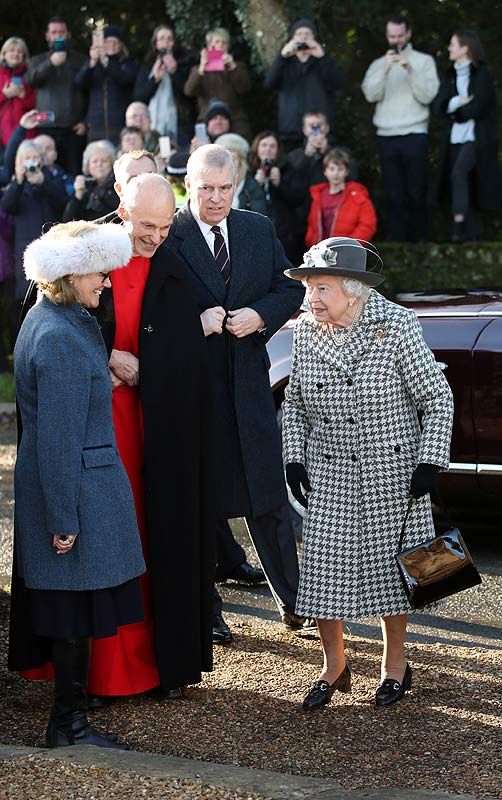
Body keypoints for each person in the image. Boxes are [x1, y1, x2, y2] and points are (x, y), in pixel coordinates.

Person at [281, 236, 454, 710]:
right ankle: (334, 666)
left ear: (353, 290)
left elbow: (437, 398)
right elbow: (295, 404)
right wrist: (293, 456)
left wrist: (430, 461)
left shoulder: (396, 325)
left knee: (393, 577)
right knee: (322, 574)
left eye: (321, 288)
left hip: (393, 472)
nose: (310, 298)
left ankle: (394, 665)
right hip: (330, 470)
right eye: (308, 288)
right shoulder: (305, 332)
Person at [10, 220, 145, 748]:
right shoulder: (63, 335)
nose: (106, 282)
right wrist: (64, 519)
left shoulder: (55, 320)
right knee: (72, 614)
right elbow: (59, 440)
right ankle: (67, 725)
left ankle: (70, 720)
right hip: (77, 495)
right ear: (69, 275)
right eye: (98, 273)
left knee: (76, 612)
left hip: (79, 490)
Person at [168, 144, 305, 643]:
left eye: (226, 189)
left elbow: (290, 288)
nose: (217, 199)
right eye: (206, 188)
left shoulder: (256, 227)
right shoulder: (168, 236)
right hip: (195, 392)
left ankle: (296, 603)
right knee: (202, 506)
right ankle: (207, 611)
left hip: (249, 386)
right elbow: (147, 317)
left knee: (268, 499)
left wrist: (261, 315)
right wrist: (192, 323)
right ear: (189, 183)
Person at [86, 173, 215, 700]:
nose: (155, 237)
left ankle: (153, 664)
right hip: (95, 421)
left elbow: (186, 345)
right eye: (146, 225)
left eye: (164, 226)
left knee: (147, 532)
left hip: (152, 424)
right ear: (121, 208)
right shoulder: (84, 248)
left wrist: (147, 368)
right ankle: (94, 670)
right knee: (99, 536)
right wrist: (105, 356)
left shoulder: (173, 258)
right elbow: (46, 320)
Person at [361, 15, 439, 241]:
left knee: (416, 192)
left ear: (408, 34)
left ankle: (420, 243)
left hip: (415, 133)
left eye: (400, 35)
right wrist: (385, 69)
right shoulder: (378, 64)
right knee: (393, 194)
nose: (396, 40)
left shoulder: (424, 61)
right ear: (387, 36)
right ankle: (398, 242)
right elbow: (370, 94)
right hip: (387, 136)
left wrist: (410, 69)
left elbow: (428, 96)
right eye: (392, 36)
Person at [433, 30, 502, 242]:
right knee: (463, 181)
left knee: (459, 173)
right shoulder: (450, 74)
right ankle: (472, 235)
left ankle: (458, 224)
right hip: (455, 137)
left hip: (477, 137)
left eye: (453, 44)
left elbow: (477, 106)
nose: (449, 48)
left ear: (465, 48)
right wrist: (457, 103)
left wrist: (456, 111)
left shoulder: (482, 73)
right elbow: (439, 107)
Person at [1, 139, 67, 307]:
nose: (32, 161)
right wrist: (19, 181)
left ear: (42, 159)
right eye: (27, 157)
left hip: (51, 249)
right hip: (24, 251)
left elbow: (63, 202)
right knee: (25, 300)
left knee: (54, 297)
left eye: (35, 157)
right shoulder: (17, 184)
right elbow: (7, 206)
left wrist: (43, 182)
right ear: (20, 161)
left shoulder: (51, 179)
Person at [265, 19, 343, 152]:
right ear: (292, 38)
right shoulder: (285, 63)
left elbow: (337, 84)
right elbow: (269, 83)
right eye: (299, 33)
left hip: (319, 129)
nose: (303, 37)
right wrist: (282, 57)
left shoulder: (323, 62)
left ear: (314, 38)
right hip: (290, 130)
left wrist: (322, 58)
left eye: (308, 33)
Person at [25, 16, 87, 176]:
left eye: (62, 32)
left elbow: (91, 91)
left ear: (68, 34)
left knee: (74, 174)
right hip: (45, 128)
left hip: (73, 129)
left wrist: (85, 122)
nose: (58, 36)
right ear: (47, 35)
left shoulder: (80, 60)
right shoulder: (37, 60)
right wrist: (51, 63)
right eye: (54, 32)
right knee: (45, 173)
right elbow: (30, 80)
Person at [249, 130, 307, 265]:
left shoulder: (289, 169)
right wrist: (255, 185)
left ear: (278, 150)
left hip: (285, 235)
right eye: (264, 145)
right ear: (257, 148)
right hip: (256, 233)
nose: (268, 149)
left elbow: (299, 198)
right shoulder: (249, 172)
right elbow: (242, 201)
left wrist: (280, 184)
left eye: (272, 146)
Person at [134, 24, 196, 146]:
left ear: (174, 43)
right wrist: (155, 79)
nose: (166, 42)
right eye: (162, 38)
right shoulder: (147, 68)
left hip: (180, 124)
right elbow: (139, 97)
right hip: (152, 126)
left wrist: (174, 72)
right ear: (156, 44)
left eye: (169, 39)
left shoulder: (184, 64)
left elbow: (188, 93)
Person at [184, 28, 251, 141]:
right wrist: (201, 69)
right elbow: (189, 91)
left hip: (234, 119)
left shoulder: (237, 66)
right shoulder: (198, 69)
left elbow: (244, 88)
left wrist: (233, 68)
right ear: (209, 46)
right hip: (207, 120)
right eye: (216, 42)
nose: (220, 46)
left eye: (224, 43)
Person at [76, 26, 137, 145]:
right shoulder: (93, 65)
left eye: (116, 42)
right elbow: (80, 82)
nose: (112, 45)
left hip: (119, 124)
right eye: (108, 42)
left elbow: (124, 79)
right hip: (96, 125)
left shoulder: (127, 64)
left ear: (121, 45)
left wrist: (106, 61)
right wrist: (92, 62)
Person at [305, 148, 377, 247]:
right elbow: (312, 224)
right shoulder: (318, 195)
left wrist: (349, 245)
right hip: (321, 253)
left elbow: (367, 225)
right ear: (325, 171)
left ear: (346, 172)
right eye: (332, 169)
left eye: (340, 169)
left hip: (347, 253)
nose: (336, 173)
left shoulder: (357, 195)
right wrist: (312, 243)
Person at [63, 140, 118, 222]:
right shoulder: (85, 186)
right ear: (88, 166)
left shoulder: (118, 184)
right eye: (94, 161)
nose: (99, 164)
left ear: (112, 164)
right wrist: (78, 194)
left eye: (104, 161)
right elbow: (68, 220)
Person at [215, 133, 268, 215]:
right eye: (224, 159)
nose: (229, 163)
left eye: (233, 158)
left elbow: (259, 218)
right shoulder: (212, 184)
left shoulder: (252, 186)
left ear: (241, 162)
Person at [0, 37, 35, 151]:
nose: (16, 54)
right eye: (12, 50)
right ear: (4, 54)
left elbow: (37, 106)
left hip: (25, 134)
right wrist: (5, 95)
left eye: (20, 52)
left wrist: (24, 96)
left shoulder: (30, 76)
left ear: (24, 56)